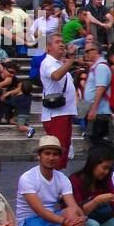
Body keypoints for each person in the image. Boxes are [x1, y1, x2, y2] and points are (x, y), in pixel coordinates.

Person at [16, 135, 86, 226]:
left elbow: (72, 205)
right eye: (47, 153)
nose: (51, 158)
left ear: (59, 157)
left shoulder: (62, 178)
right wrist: (66, 222)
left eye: (55, 154)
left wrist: (81, 218)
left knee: (73, 214)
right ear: (39, 156)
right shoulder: (28, 178)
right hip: (29, 222)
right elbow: (41, 212)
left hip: (53, 218)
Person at [39, 33, 79, 168]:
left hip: (63, 112)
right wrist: (71, 60)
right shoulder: (47, 62)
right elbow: (56, 76)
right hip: (55, 114)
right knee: (56, 151)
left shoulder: (58, 63)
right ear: (48, 47)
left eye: (62, 41)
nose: (62, 44)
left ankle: (58, 181)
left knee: (63, 150)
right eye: (57, 42)